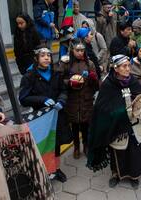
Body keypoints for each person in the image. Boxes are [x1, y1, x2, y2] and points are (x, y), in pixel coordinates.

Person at [87, 54, 141, 189]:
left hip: (134, 125)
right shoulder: (108, 85)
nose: (128, 69)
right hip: (116, 128)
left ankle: (135, 176)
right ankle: (116, 174)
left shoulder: (133, 81)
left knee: (135, 152)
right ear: (116, 68)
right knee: (118, 152)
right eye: (124, 66)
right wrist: (118, 112)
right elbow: (102, 108)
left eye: (129, 65)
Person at [19, 45, 68, 182]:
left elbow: (64, 90)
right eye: (43, 55)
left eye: (49, 55)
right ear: (36, 58)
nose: (47, 58)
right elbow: (23, 99)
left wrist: (61, 101)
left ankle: (56, 169)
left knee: (55, 143)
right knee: (43, 144)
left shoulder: (56, 72)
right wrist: (42, 99)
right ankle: (42, 171)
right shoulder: (29, 76)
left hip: (56, 116)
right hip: (40, 119)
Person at [59, 39, 99, 159]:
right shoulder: (65, 63)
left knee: (86, 125)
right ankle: (76, 147)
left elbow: (96, 85)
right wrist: (70, 82)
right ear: (72, 50)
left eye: (82, 50)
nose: (80, 53)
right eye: (78, 50)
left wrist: (93, 77)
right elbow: (59, 80)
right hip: (72, 100)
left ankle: (86, 145)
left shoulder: (90, 64)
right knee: (75, 125)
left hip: (86, 99)